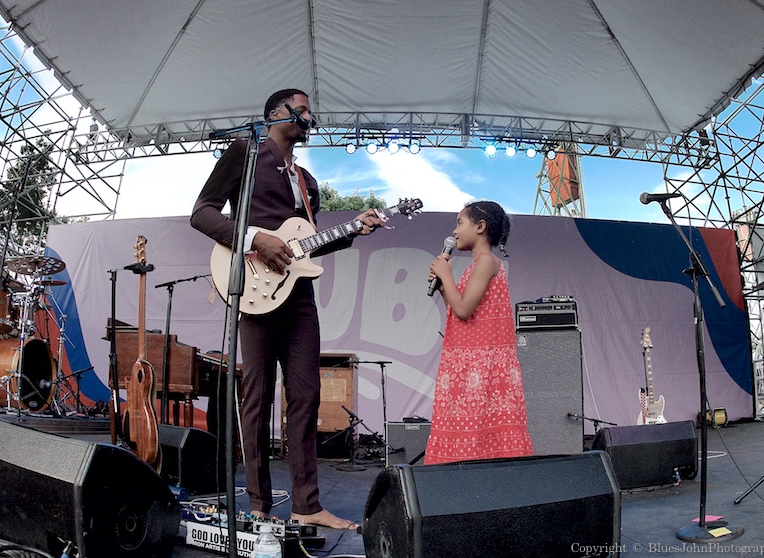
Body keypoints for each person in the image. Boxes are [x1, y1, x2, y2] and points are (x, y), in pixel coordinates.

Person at [191, 89, 384, 529]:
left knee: (306, 393)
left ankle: (307, 504)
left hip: (298, 299)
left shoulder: (307, 182)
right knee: (256, 395)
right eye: (302, 109)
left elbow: (307, 248)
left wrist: (356, 228)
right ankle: (258, 504)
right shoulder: (244, 151)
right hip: (253, 289)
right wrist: (255, 239)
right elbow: (201, 213)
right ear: (276, 112)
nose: (309, 117)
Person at [424, 201, 533, 464]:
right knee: (466, 428)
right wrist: (442, 288)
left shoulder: (486, 262)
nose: (455, 230)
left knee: (482, 430)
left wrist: (445, 274)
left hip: (481, 364)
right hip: (466, 362)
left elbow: (463, 310)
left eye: (460, 223)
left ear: (481, 227)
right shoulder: (476, 266)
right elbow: (461, 312)